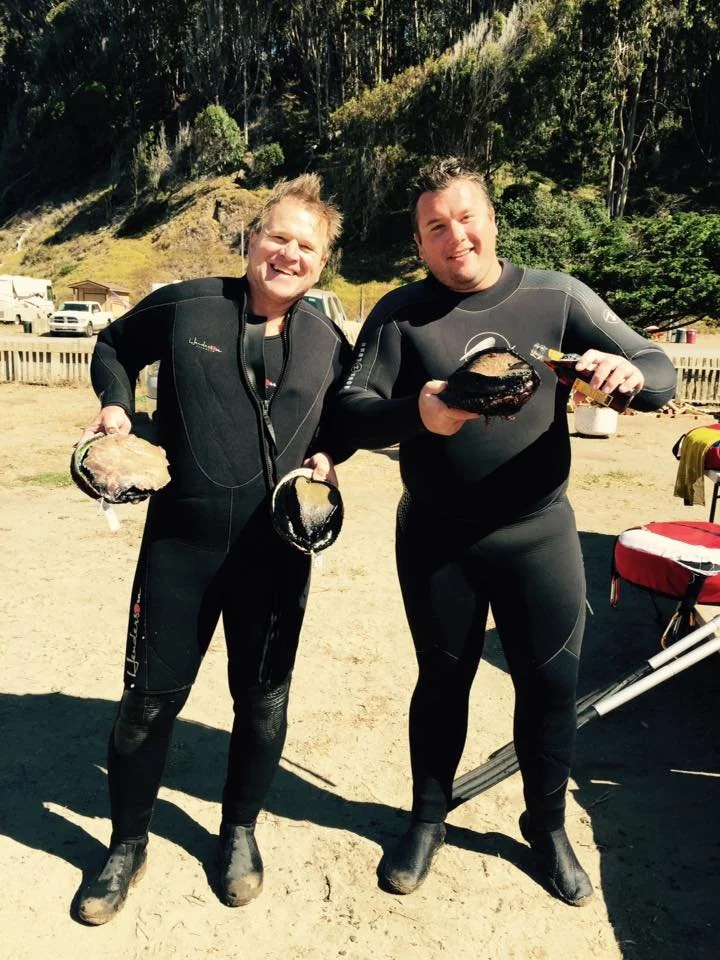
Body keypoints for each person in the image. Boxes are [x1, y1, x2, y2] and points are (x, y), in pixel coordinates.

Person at [334, 157, 676, 905]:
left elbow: (659, 373)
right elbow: (349, 409)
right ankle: (427, 819)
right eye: (435, 227)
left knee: (550, 689)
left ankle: (545, 826)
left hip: (539, 536)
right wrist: (414, 414)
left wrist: (624, 374)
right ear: (419, 243)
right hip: (436, 541)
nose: (455, 236)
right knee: (442, 684)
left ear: (491, 219)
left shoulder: (557, 297)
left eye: (465, 217)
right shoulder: (400, 314)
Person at [76, 174, 352, 924]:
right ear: (250, 240)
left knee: (262, 707)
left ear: (322, 262)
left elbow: (343, 422)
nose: (288, 253)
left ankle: (238, 834)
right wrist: (115, 408)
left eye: (306, 245)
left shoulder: (328, 341)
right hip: (180, 548)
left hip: (275, 559)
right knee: (146, 706)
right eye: (278, 237)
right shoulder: (188, 304)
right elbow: (111, 345)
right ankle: (126, 846)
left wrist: (332, 458)